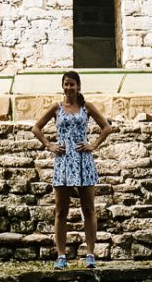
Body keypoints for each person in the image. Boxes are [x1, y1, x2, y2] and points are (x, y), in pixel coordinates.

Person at [31, 70, 115, 270]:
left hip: (83, 160)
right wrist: (49, 145)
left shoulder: (86, 107)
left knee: (88, 209)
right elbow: (36, 128)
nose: (69, 88)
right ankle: (61, 255)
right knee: (61, 210)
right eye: (66, 84)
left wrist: (93, 145)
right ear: (63, 86)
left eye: (72, 84)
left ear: (78, 87)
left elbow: (106, 128)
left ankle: (90, 254)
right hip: (63, 161)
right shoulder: (56, 108)